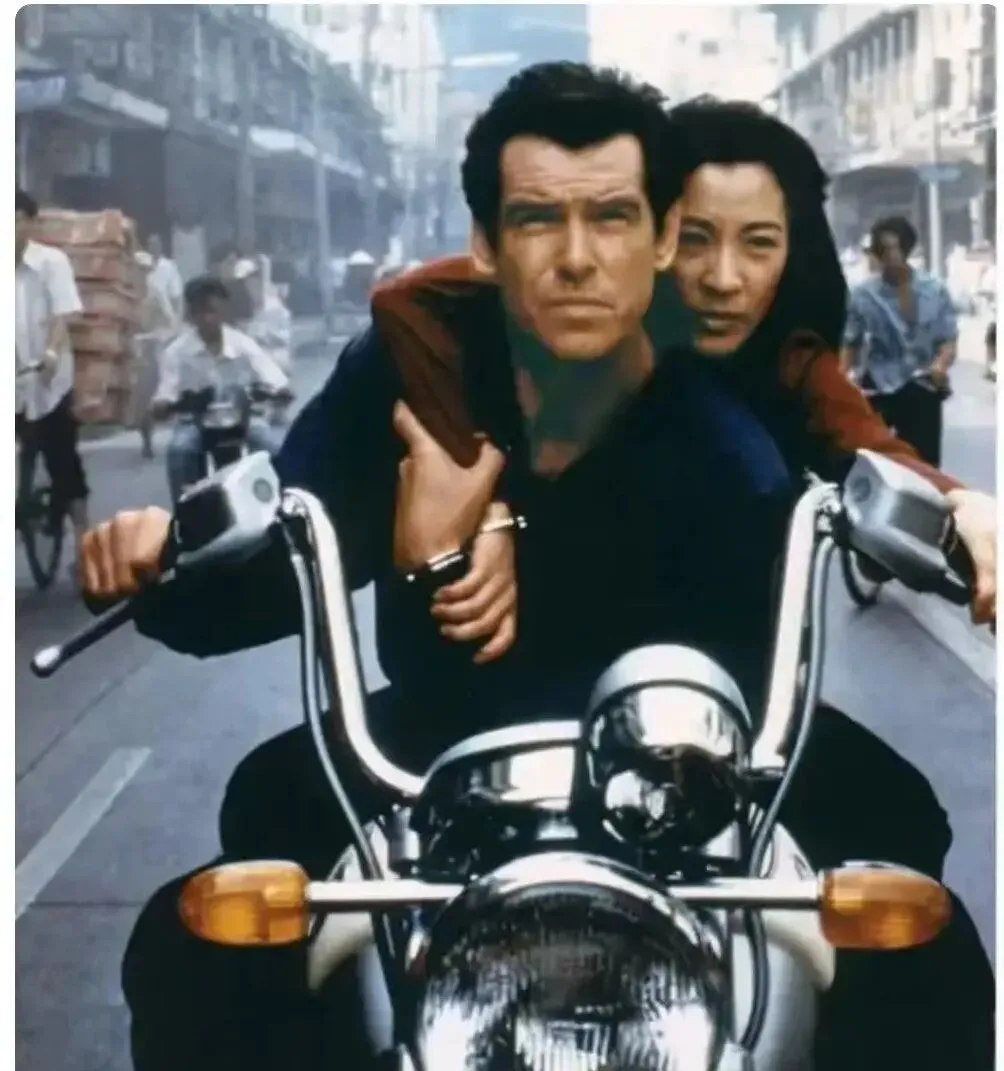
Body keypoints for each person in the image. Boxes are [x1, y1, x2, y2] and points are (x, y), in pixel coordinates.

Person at [78, 69, 993, 1067]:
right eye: (536, 220)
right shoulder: (406, 371)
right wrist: (152, 560)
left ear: (660, 239)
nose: (576, 258)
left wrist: (957, 513)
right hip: (436, 762)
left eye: (611, 218)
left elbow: (859, 445)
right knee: (200, 936)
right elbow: (283, 551)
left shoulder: (739, 405)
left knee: (919, 928)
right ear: (485, 243)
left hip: (697, 766)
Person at [153, 276, 291, 502]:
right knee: (179, 451)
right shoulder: (177, 352)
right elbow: (164, 393)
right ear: (191, 314)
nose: (207, 319)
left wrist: (279, 391)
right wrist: (167, 405)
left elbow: (273, 377)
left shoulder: (243, 345)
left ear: (224, 310)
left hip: (244, 419)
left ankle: (280, 504)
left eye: (212, 311)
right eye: (200, 312)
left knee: (274, 447)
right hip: (195, 422)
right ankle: (186, 513)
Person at [840, 216, 958, 467]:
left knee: (925, 466)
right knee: (870, 463)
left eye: (896, 248)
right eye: (884, 250)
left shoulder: (934, 289)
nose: (891, 256)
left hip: (922, 386)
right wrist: (840, 383)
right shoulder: (864, 295)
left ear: (907, 248)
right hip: (879, 387)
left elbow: (948, 340)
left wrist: (939, 366)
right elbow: (851, 343)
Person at [15, 188, 91, 561]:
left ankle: (83, 542)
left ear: (31, 223)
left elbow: (63, 313)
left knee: (62, 461)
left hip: (48, 378)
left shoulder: (51, 262)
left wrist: (50, 352)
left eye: (14, 220)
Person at [132, 250, 182, 458]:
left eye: (144, 270)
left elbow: (171, 322)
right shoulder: (126, 294)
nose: (141, 274)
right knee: (141, 396)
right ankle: (146, 439)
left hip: (155, 349)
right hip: (135, 350)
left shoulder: (155, 293)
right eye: (138, 270)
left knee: (157, 392)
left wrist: (161, 336)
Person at [145, 233, 184, 320]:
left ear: (160, 246)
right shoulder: (145, 265)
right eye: (150, 245)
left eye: (155, 245)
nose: (153, 247)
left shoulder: (168, 266)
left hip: (167, 312)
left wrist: (174, 316)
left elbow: (173, 293)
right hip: (151, 312)